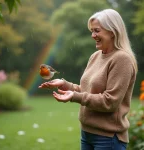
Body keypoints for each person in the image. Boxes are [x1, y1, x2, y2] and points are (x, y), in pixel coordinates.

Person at [39, 9, 138, 150]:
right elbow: (87, 91)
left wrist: (74, 96)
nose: (93, 35)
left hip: (108, 138)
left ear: (112, 31)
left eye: (97, 30)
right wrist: (65, 85)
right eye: (92, 31)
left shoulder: (122, 59)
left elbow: (110, 102)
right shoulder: (95, 56)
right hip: (87, 133)